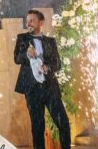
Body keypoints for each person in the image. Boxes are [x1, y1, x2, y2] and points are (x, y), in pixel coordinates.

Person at [13, 10, 71, 149]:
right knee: (38, 127)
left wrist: (48, 68)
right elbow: (16, 59)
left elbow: (57, 63)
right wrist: (27, 54)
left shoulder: (50, 41)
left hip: (50, 88)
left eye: (32, 20)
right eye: (27, 20)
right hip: (32, 90)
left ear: (41, 22)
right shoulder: (22, 38)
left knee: (63, 122)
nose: (28, 23)